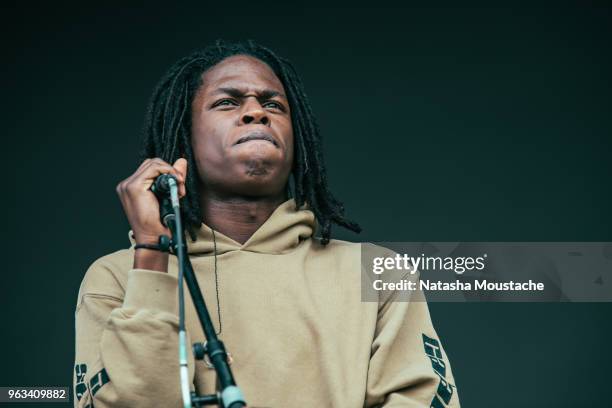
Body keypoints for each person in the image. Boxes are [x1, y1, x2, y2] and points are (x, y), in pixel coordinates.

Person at [73, 40, 460, 408]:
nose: (256, 112)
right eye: (227, 102)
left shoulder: (378, 275)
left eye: (273, 104)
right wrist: (153, 250)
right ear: (183, 139)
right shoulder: (117, 279)